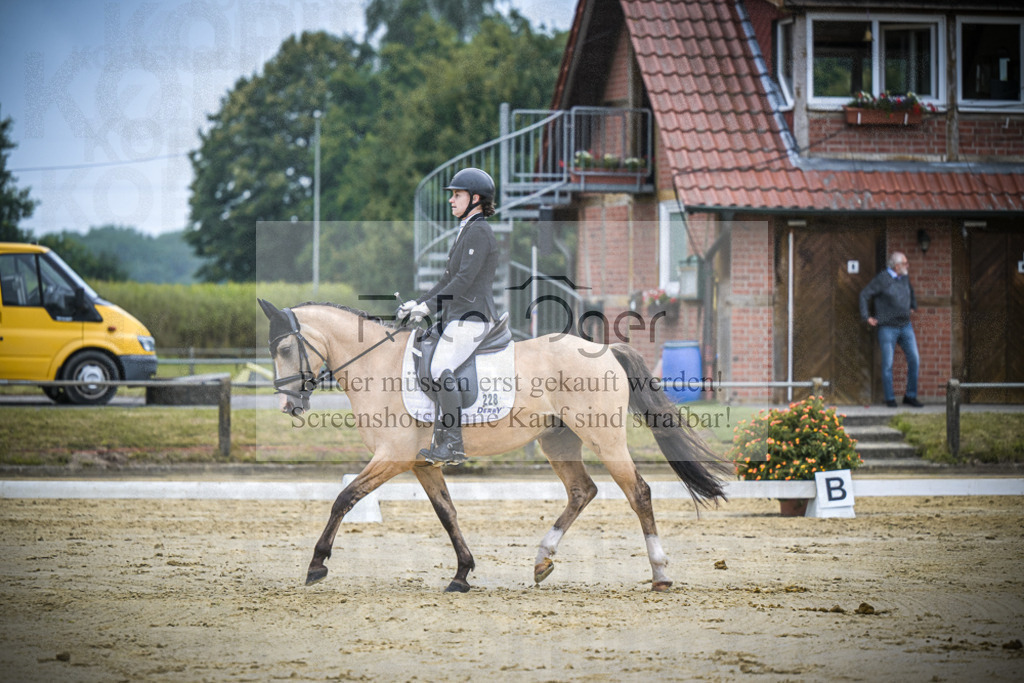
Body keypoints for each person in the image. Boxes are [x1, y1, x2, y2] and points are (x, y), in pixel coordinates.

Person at [397, 168, 499, 464]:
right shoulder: (467, 229)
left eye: (457, 195)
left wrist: (428, 308)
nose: (451, 201)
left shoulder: (479, 231)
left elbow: (464, 281)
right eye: (452, 195)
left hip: (474, 318)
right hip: (457, 316)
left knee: (442, 367)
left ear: (475, 198)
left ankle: (453, 443)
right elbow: (446, 280)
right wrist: (418, 303)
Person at [859, 251, 924, 408]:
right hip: (887, 328)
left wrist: (913, 306)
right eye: (905, 263)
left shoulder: (904, 278)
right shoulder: (882, 279)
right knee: (888, 364)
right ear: (897, 266)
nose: (907, 266)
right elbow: (864, 295)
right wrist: (866, 316)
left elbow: (911, 291)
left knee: (914, 359)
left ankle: (910, 396)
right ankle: (890, 398)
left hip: (905, 326)